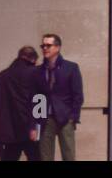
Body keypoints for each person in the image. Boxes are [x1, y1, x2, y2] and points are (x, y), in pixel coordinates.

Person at [0, 46, 43, 161]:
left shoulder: (1, 76)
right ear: (33, 59)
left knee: (9, 157)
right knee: (36, 157)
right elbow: (40, 101)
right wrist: (37, 127)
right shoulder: (36, 73)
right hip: (30, 128)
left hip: (10, 132)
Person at [36, 33, 83, 161]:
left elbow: (77, 95)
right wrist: (37, 120)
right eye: (43, 45)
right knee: (45, 156)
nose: (44, 48)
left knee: (68, 155)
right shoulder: (39, 70)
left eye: (48, 45)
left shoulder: (71, 68)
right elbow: (36, 97)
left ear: (57, 47)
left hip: (65, 118)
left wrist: (73, 117)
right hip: (45, 119)